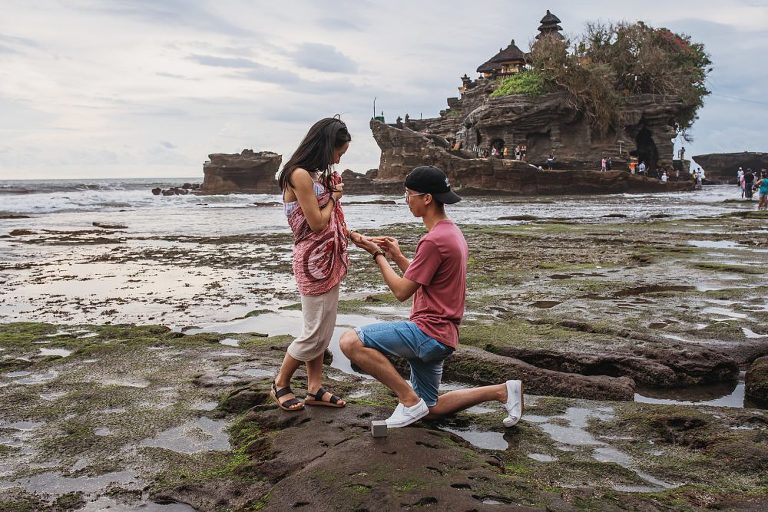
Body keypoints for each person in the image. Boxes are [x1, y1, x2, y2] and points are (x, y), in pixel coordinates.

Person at [339, 166, 524, 429]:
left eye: (409, 194)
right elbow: (423, 279)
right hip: (443, 335)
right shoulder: (452, 233)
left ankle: (408, 400)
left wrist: (376, 254)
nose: (406, 200)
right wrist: (397, 256)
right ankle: (502, 391)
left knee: (350, 341)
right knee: (430, 409)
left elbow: (402, 291)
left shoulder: (433, 240)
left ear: (426, 198)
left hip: (428, 332)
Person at [272, 117, 353, 412]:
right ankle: (280, 383)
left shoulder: (314, 175)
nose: (338, 158)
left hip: (326, 259)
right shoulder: (299, 175)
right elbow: (317, 224)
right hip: (312, 261)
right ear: (326, 145)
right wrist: (333, 197)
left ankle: (315, 387)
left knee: (323, 328)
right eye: (339, 152)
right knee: (313, 331)